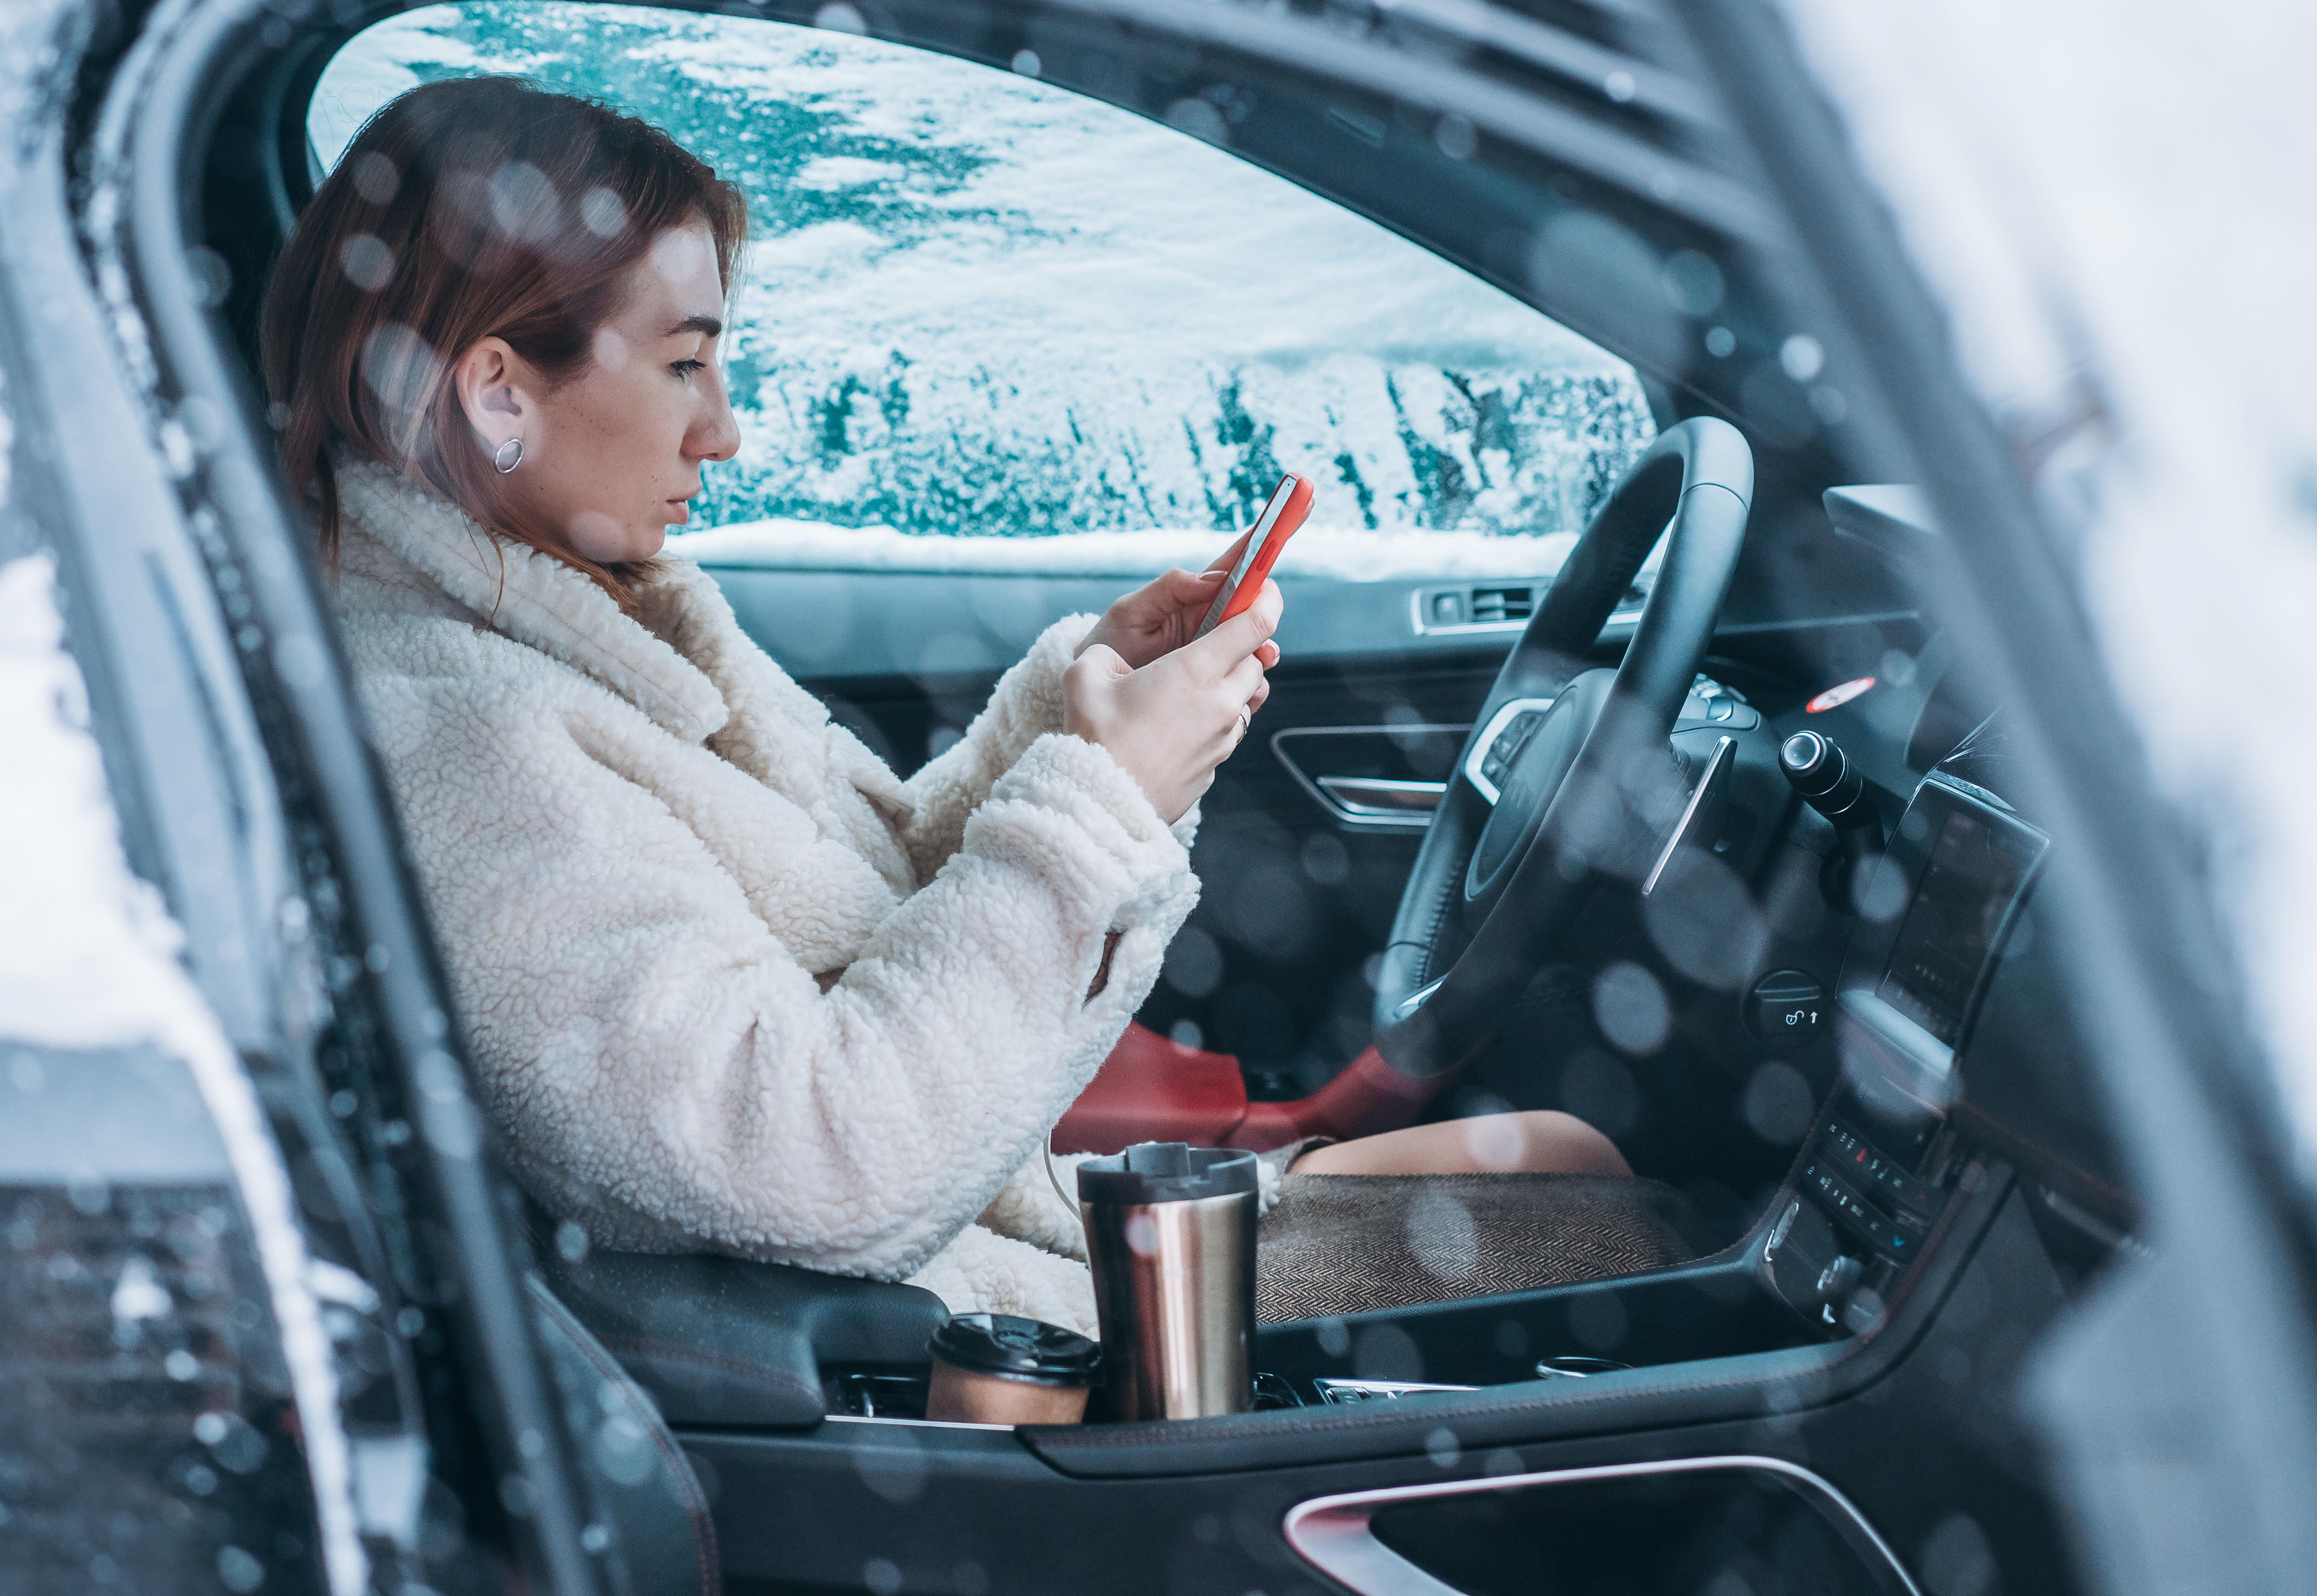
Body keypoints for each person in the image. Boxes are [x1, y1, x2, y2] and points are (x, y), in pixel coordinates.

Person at [261, 76, 1621, 1332]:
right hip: (984, 1329)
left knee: (1570, 1165)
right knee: (1628, 1230)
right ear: (501, 390)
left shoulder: (590, 614)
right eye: (686, 365)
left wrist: (1075, 728)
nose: (723, 430)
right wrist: (1102, 808)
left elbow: (853, 907)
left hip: (1003, 1225)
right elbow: (813, 1167)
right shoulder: (467, 746)